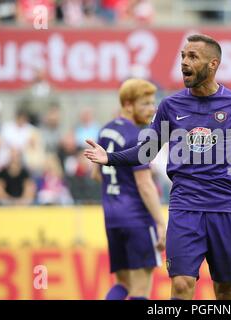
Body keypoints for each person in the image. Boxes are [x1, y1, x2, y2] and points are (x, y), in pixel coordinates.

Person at [84, 34, 231, 300]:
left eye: (193, 56)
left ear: (213, 64)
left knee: (226, 290)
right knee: (182, 284)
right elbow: (146, 152)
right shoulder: (170, 106)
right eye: (183, 56)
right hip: (185, 209)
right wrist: (110, 158)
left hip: (225, 209)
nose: (184, 62)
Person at [91, 78, 166, 300]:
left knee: (123, 284)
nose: (152, 109)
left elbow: (97, 174)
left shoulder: (106, 130)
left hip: (112, 217)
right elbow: (144, 184)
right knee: (141, 290)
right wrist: (161, 223)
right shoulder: (137, 136)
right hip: (137, 219)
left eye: (153, 103)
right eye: (145, 104)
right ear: (127, 104)